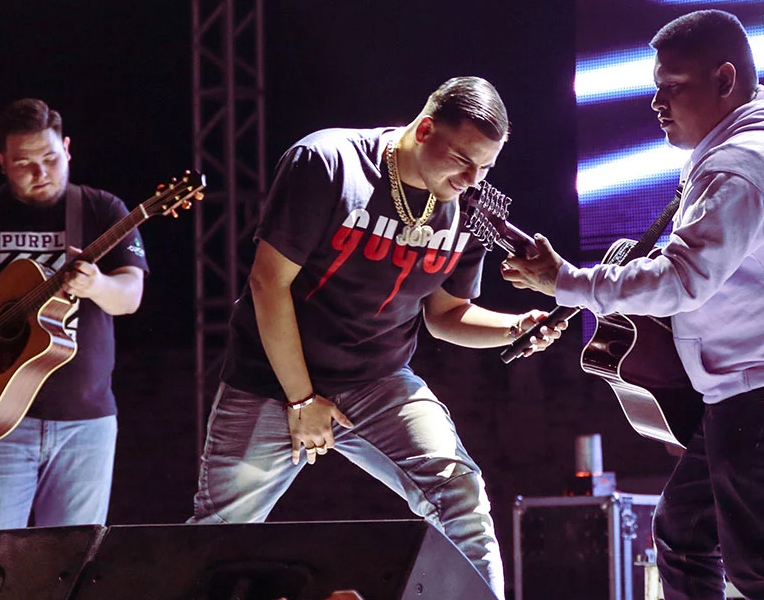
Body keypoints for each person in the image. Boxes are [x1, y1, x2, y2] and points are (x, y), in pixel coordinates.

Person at [188, 76, 563, 598]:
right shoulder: (329, 161)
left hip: (379, 378)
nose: (474, 179)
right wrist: (301, 398)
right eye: (463, 160)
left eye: (487, 166)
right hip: (271, 378)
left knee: (461, 495)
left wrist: (514, 327)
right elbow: (267, 283)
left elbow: (447, 314)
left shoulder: (468, 206)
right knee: (216, 541)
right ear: (425, 129)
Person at [501, 9, 764, 600]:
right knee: (683, 539)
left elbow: (682, 278)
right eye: (655, 87)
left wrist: (566, 281)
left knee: (762, 567)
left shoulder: (746, 165)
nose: (657, 103)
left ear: (724, 80)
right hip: (746, 395)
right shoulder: (751, 152)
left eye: (673, 86)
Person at [0, 99, 149, 528]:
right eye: (24, 163)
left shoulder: (101, 210)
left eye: (49, 158)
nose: (40, 173)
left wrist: (96, 285)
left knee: (71, 564)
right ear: (4, 163)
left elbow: (130, 296)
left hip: (86, 424)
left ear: (67, 148)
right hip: (5, 423)